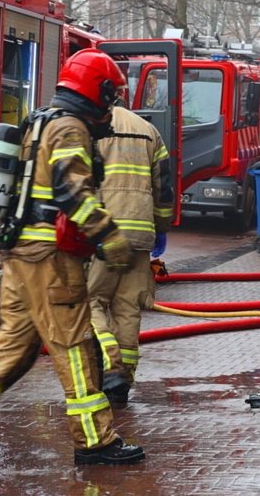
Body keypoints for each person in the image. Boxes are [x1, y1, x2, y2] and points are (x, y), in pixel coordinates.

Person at [0, 49, 145, 465]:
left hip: (20, 256)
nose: (111, 104)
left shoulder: (40, 121)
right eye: (110, 94)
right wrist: (109, 235)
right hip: (51, 261)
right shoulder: (70, 129)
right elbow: (73, 192)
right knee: (76, 348)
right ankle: (95, 441)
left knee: (15, 347)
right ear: (95, 89)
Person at [88, 99, 176, 405]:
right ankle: (122, 384)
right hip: (140, 232)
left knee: (88, 302)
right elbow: (164, 187)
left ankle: (110, 366)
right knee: (127, 308)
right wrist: (160, 227)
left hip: (100, 231)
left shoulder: (90, 126)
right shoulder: (148, 130)